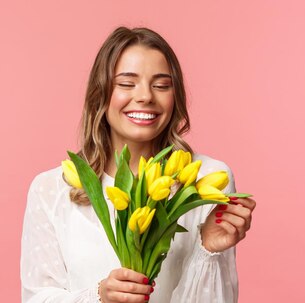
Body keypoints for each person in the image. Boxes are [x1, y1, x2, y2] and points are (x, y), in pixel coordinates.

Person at [20, 26, 256, 303]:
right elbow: (37, 298)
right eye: (126, 83)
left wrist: (209, 249)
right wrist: (100, 297)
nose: (145, 96)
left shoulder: (206, 180)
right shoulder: (52, 188)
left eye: (161, 85)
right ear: (100, 94)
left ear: (175, 97)